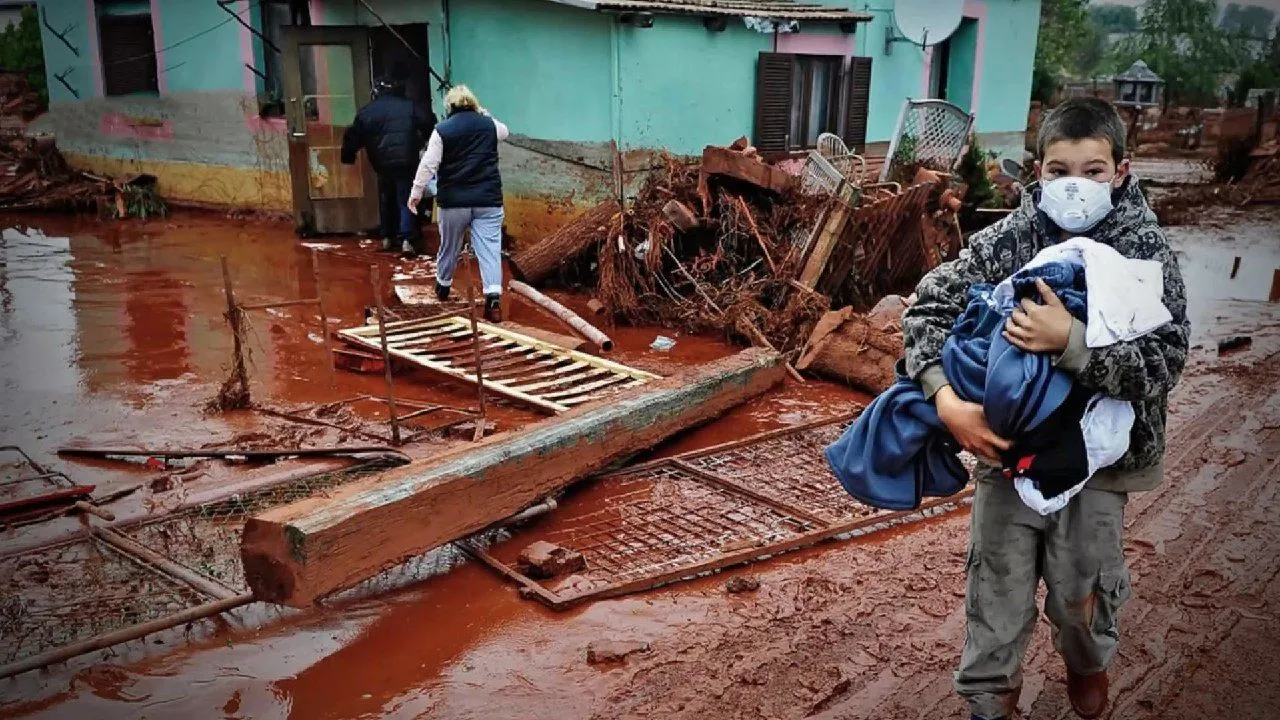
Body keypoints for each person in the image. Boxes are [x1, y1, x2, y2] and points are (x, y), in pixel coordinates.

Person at [900, 97, 1190, 720]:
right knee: (997, 593)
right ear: (1037, 172)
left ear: (1122, 170)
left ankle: (1088, 674)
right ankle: (991, 698)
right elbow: (924, 311)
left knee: (1079, 599)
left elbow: (1165, 362)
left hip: (1102, 468)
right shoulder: (1007, 241)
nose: (1076, 186)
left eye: (1093, 170)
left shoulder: (1146, 253)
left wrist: (1072, 344)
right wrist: (946, 401)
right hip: (1007, 457)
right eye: (1059, 171)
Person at [407, 84, 508, 323]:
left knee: (449, 246)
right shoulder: (489, 126)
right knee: (490, 250)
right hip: (488, 201)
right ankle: (493, 298)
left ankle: (443, 286)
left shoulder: (442, 130)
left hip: (454, 203)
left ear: (449, 107)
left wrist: (416, 193)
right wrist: (484, 113)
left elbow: (428, 165)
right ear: (474, 104)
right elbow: (505, 131)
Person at [340, 65, 436, 257]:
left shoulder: (367, 111)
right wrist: (424, 142)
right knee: (406, 199)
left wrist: (347, 156)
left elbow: (353, 135)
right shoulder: (409, 106)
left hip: (381, 163)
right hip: (406, 161)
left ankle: (387, 237)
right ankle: (407, 239)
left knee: (386, 197)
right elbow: (428, 121)